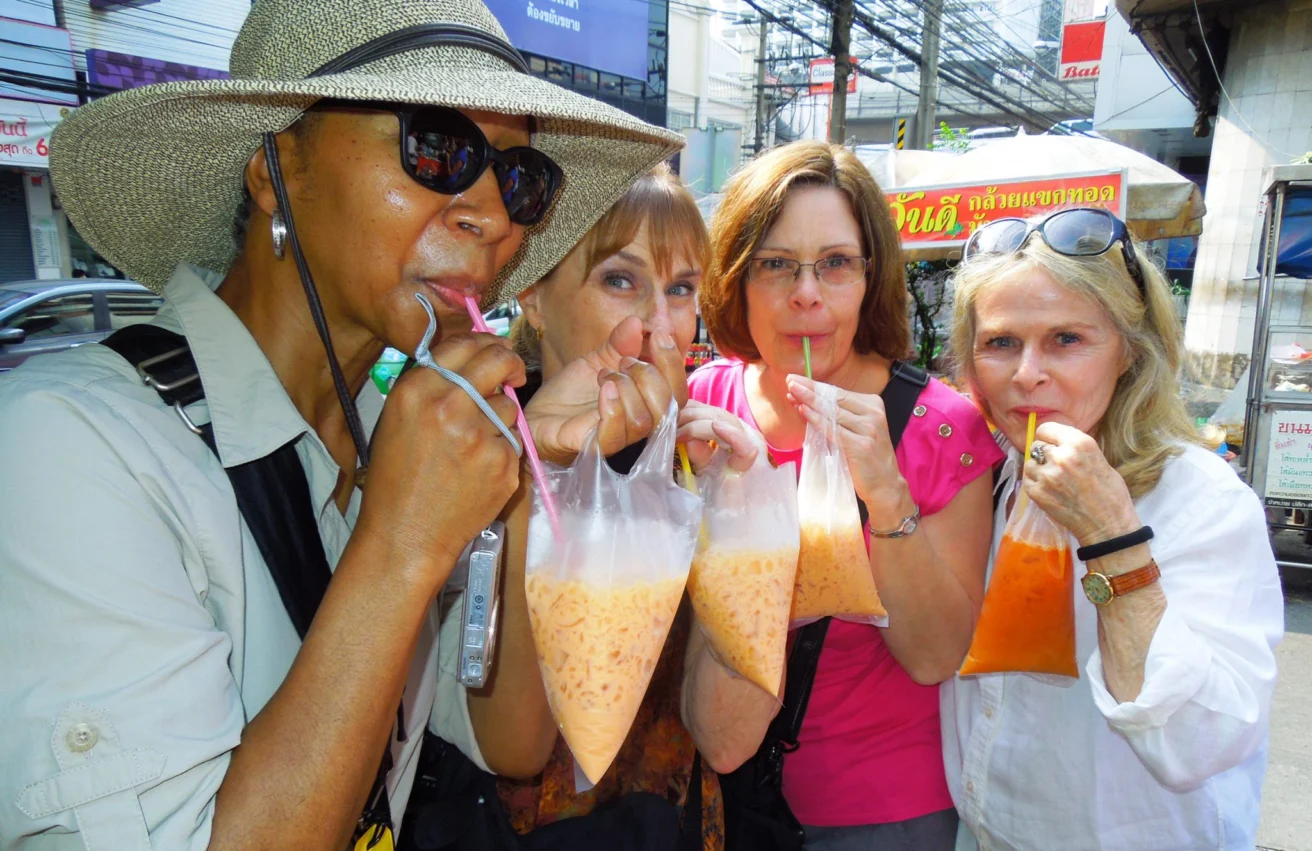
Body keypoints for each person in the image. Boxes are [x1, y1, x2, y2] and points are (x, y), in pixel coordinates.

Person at [0, 1, 684, 848]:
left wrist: (520, 466)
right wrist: (397, 544)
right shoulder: (70, 448)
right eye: (436, 148)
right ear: (274, 167)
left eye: (519, 179)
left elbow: (507, 740)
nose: (497, 218)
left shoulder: (389, 430)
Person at [684, 140, 1002, 850]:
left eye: (834, 263)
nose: (806, 294)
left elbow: (934, 656)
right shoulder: (705, 404)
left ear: (869, 277)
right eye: (775, 265)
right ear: (737, 279)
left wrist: (887, 496)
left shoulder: (940, 426)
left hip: (884, 812)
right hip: (720, 796)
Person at [942, 207, 1284, 850]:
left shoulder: (1200, 501)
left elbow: (1197, 743)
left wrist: (1113, 535)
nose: (1027, 373)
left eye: (1067, 339)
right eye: (1001, 342)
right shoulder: (984, 479)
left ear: (1128, 350)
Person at [468, 162, 758, 850]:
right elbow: (511, 743)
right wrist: (534, 478)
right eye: (620, 280)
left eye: (682, 288)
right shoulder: (472, 453)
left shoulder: (694, 460)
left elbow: (725, 732)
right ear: (535, 296)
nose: (660, 324)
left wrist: (739, 522)